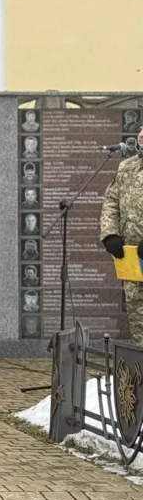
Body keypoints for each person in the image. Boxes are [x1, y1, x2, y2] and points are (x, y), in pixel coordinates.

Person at [100, 123, 143, 343]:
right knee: (138, 318)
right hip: (133, 259)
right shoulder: (126, 167)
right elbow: (111, 200)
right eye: (141, 130)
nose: (142, 135)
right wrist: (110, 233)